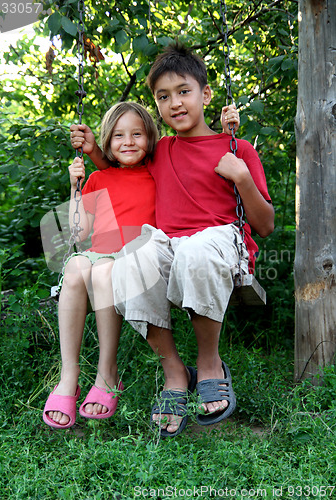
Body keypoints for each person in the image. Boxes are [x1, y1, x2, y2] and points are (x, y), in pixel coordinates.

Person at [70, 48, 247, 437]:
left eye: (184, 91)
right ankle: (175, 373)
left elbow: (264, 224)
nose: (175, 103)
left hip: (214, 245)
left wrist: (242, 174)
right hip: (170, 247)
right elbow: (122, 171)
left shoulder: (235, 148)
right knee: (129, 256)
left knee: (197, 251)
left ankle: (210, 363)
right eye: (163, 97)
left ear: (206, 93)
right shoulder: (163, 150)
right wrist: (94, 152)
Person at [43, 101, 158, 429]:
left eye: (137, 134)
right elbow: (79, 233)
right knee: (78, 265)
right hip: (98, 258)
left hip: (137, 260)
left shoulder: (156, 173)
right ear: (107, 144)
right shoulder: (99, 179)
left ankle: (107, 374)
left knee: (104, 267)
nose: (129, 141)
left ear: (150, 139)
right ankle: (69, 376)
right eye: (119, 136)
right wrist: (75, 187)